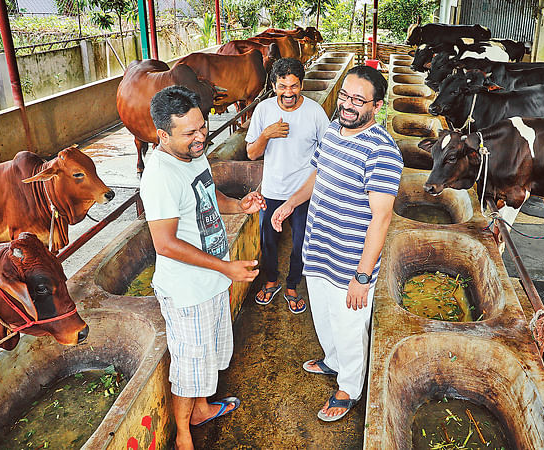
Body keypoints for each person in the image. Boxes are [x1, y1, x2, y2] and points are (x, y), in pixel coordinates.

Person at [270, 65, 403, 422]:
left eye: (359, 100)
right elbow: (318, 173)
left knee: (349, 328)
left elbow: (382, 218)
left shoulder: (382, 151)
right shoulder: (332, 130)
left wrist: (363, 276)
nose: (348, 104)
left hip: (349, 261)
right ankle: (332, 360)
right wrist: (291, 203)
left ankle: (349, 387)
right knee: (326, 319)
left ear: (376, 107)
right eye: (345, 95)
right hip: (318, 248)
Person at [140, 85, 266, 450]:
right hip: (186, 291)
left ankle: (202, 409)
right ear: (162, 135)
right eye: (190, 133)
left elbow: (209, 198)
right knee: (189, 365)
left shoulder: (193, 154)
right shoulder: (161, 175)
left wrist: (239, 205)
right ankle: (183, 435)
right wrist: (226, 268)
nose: (200, 137)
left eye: (202, 127)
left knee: (206, 358)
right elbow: (165, 244)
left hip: (209, 282)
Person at [246, 58, 330, 314]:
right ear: (274, 85)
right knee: (268, 241)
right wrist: (266, 134)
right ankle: (271, 281)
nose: (289, 92)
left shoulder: (315, 112)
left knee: (301, 243)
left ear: (301, 84)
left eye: (294, 86)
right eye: (283, 86)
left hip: (305, 193)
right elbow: (251, 153)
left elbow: (326, 153)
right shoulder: (263, 110)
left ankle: (292, 285)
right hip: (272, 190)